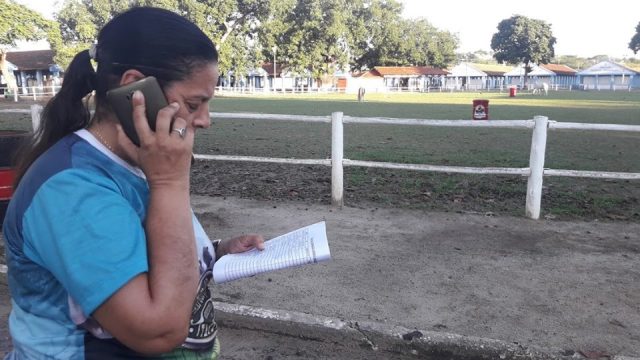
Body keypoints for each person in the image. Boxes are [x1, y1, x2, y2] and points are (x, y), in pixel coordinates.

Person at [2, 7, 264, 359]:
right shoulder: (73, 189)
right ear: (135, 90)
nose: (204, 120)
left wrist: (215, 252)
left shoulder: (143, 159)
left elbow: (140, 251)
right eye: (193, 103)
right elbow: (158, 331)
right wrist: (171, 182)